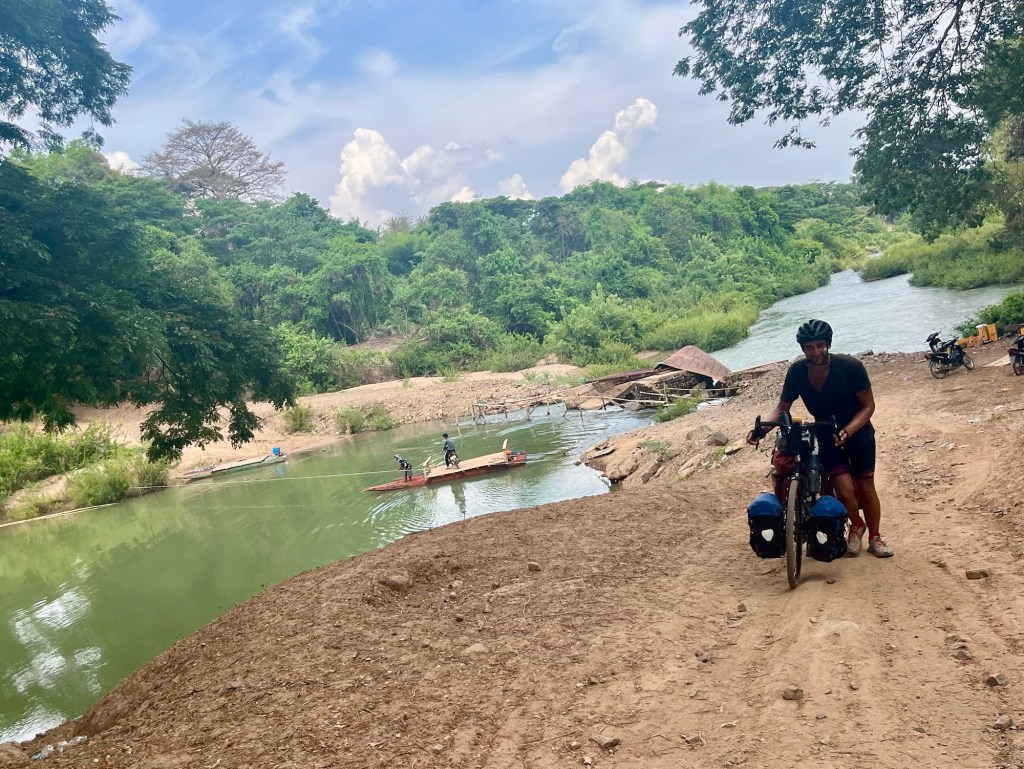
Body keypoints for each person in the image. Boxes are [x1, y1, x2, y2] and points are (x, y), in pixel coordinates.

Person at [747, 319, 893, 558]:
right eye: (810, 347)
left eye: (820, 345)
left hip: (859, 434)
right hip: (826, 436)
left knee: (866, 486)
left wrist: (848, 430)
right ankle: (856, 525)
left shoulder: (851, 367)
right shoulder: (797, 372)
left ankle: (875, 537)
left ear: (828, 344)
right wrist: (762, 429)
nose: (816, 352)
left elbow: (868, 406)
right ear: (803, 349)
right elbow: (782, 407)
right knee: (843, 489)